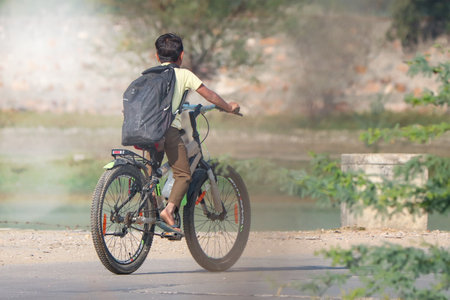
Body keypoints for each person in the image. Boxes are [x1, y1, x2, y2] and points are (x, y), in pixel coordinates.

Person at [152, 33, 240, 233]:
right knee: (183, 174)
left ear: (157, 56)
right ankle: (169, 210)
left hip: (143, 130)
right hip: (167, 131)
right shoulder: (184, 75)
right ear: (181, 56)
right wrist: (228, 107)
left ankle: (149, 208)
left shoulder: (149, 74)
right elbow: (210, 95)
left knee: (151, 174)